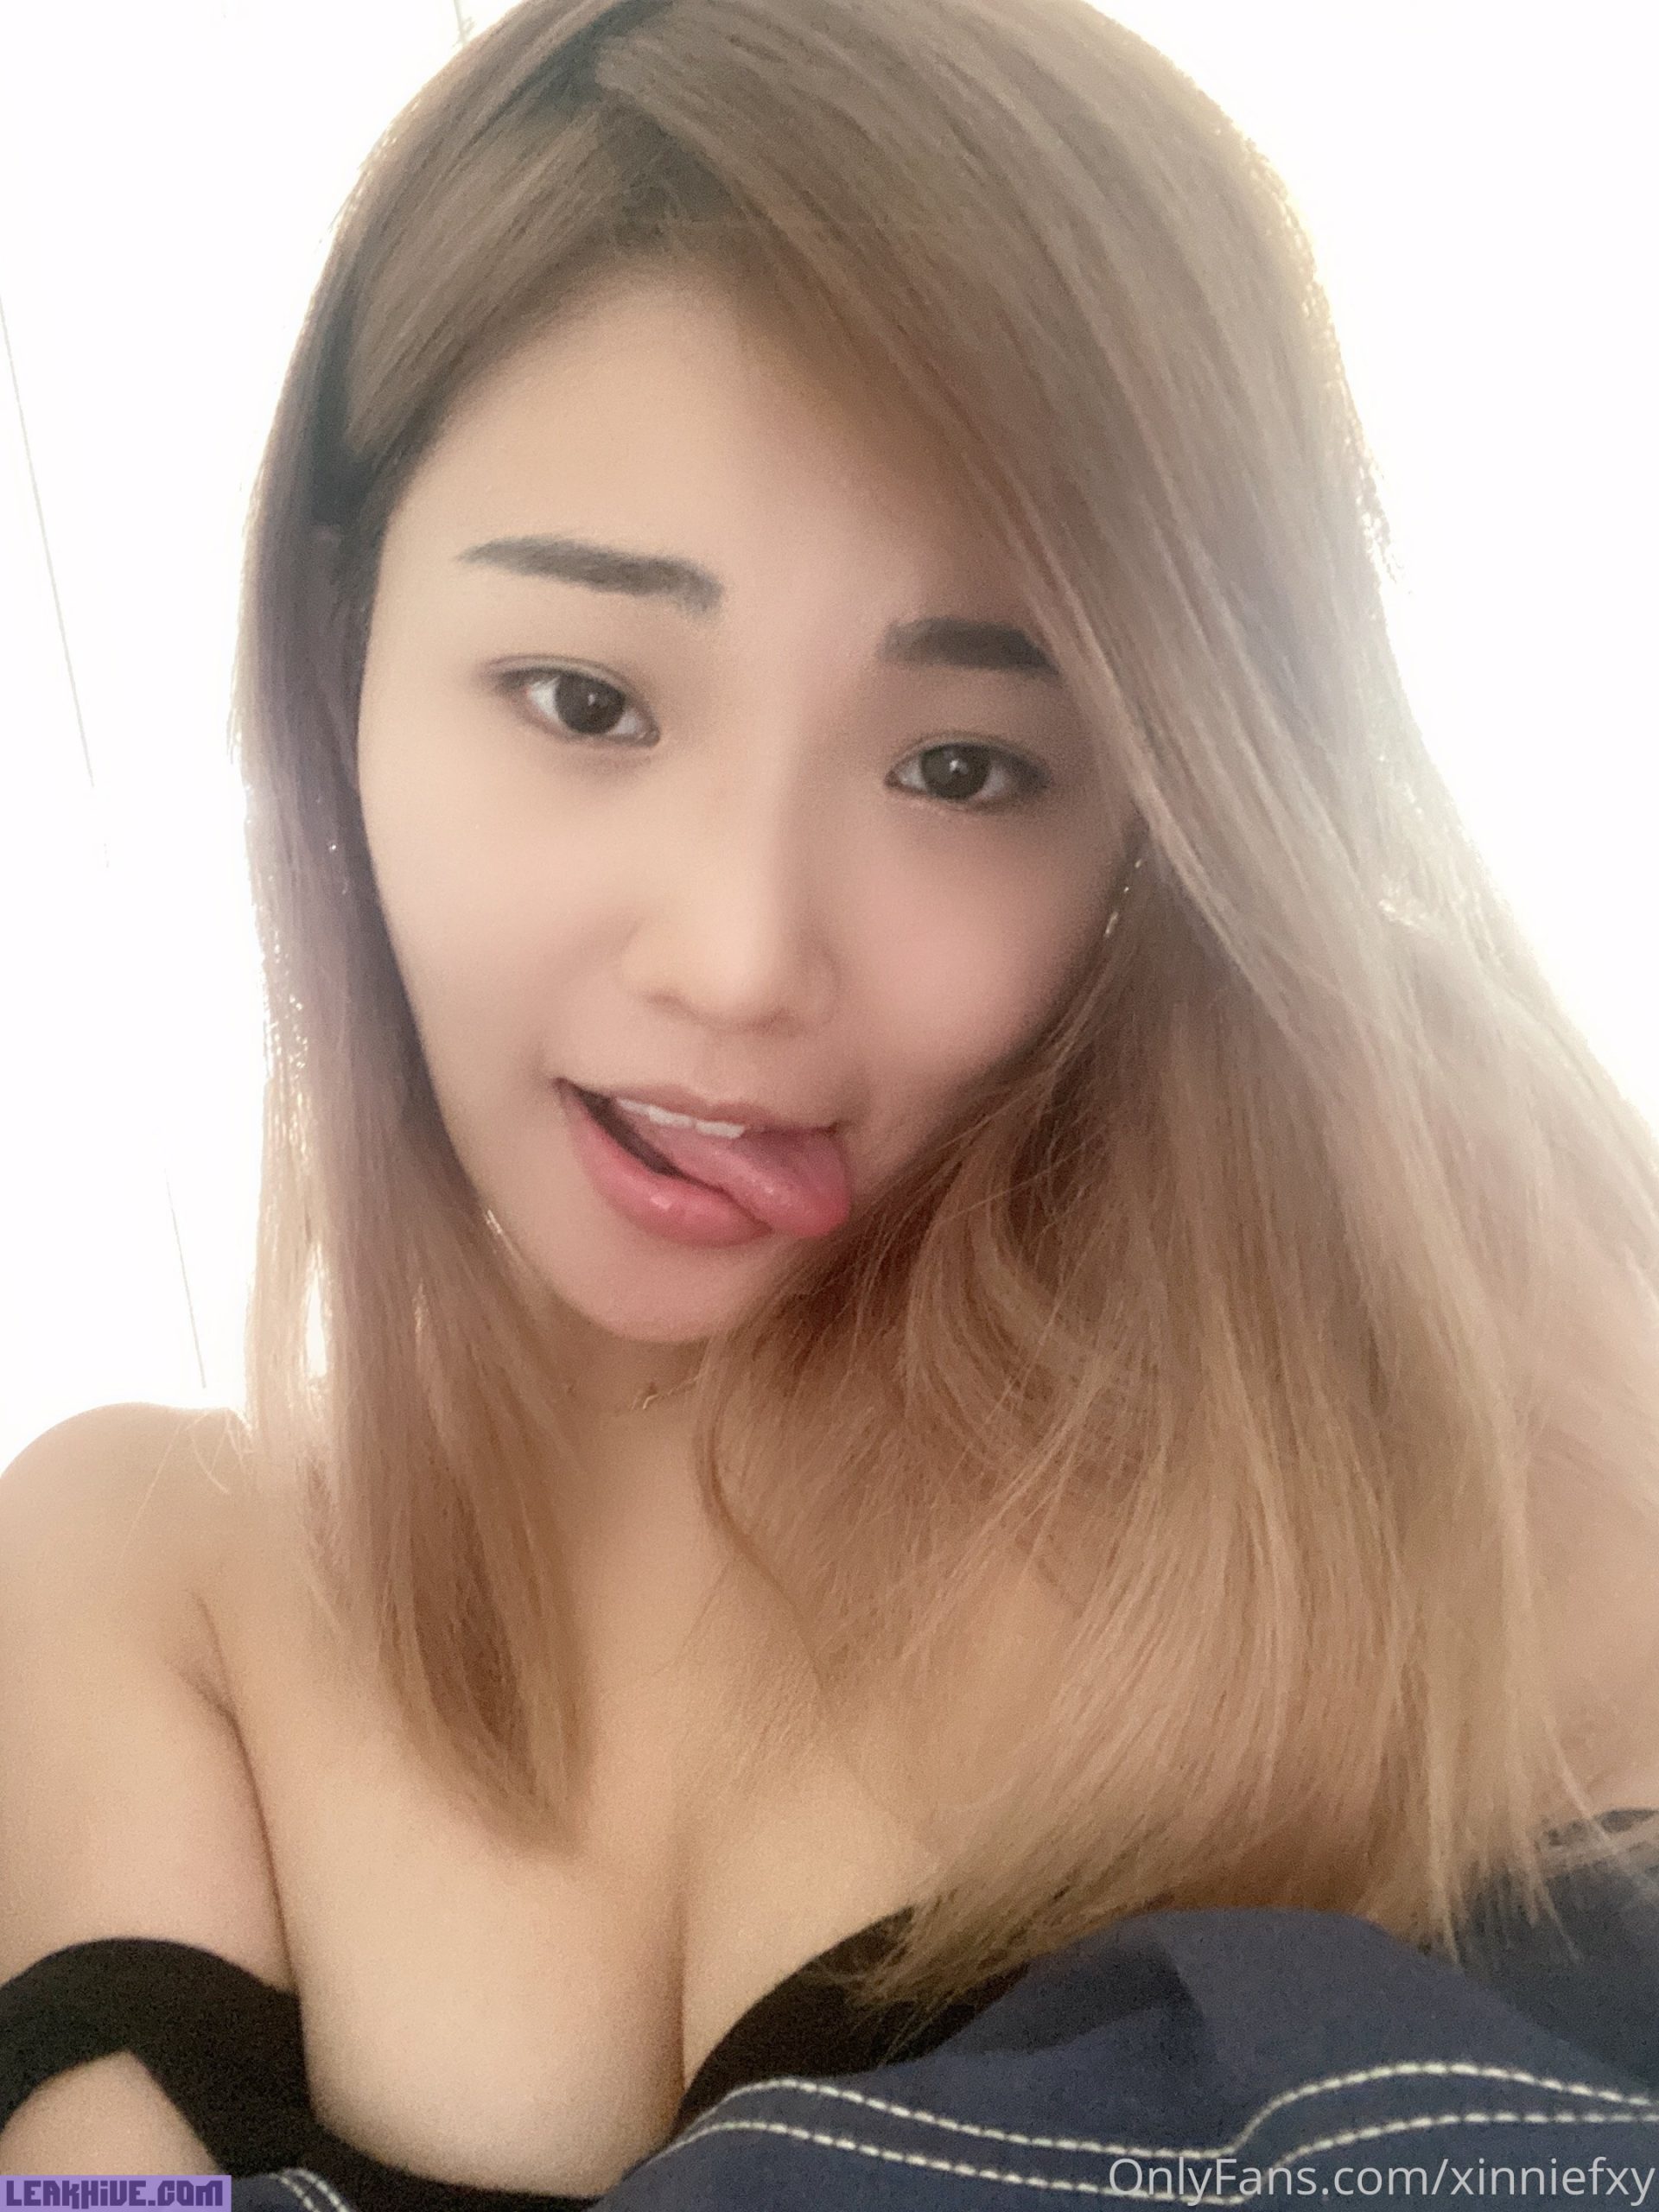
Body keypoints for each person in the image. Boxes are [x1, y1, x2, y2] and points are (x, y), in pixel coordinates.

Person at [4, 0, 1659, 2199]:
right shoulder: (141, 1564)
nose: (740, 955)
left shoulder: (1412, 1364)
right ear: (340, 654)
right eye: (584, 698)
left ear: (1164, 802)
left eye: (962, 764)